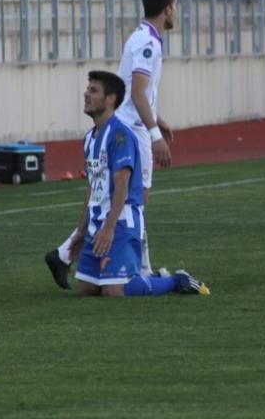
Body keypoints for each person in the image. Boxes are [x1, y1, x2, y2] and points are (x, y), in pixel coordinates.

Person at [46, 0, 178, 289]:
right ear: (168, 8)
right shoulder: (148, 43)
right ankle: (141, 269)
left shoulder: (140, 36)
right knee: (136, 201)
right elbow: (138, 94)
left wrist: (158, 118)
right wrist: (154, 133)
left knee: (106, 194)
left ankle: (65, 253)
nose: (176, 12)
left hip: (123, 125)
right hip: (132, 129)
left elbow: (133, 90)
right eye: (175, 6)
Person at [70, 71, 209, 297]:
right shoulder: (90, 138)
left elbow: (122, 185)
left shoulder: (120, 136)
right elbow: (92, 188)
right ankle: (144, 277)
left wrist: (109, 228)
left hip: (122, 221)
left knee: (114, 290)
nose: (86, 94)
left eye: (93, 90)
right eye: (87, 89)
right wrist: (81, 230)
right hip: (98, 223)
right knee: (87, 289)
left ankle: (176, 281)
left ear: (110, 99)